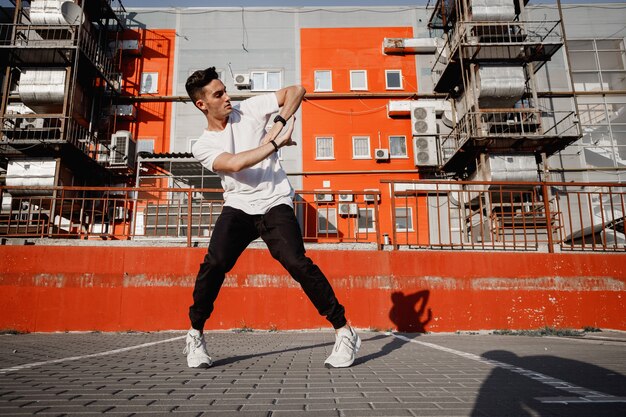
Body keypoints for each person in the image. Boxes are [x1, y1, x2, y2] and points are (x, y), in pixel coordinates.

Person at [182, 67, 360, 369]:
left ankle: (344, 331)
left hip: (275, 201)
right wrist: (275, 143)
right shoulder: (203, 145)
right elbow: (236, 163)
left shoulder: (248, 109)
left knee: (295, 261)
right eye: (218, 94)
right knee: (215, 263)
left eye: (225, 90)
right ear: (202, 105)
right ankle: (195, 334)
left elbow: (297, 90)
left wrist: (276, 123)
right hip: (238, 206)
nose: (228, 97)